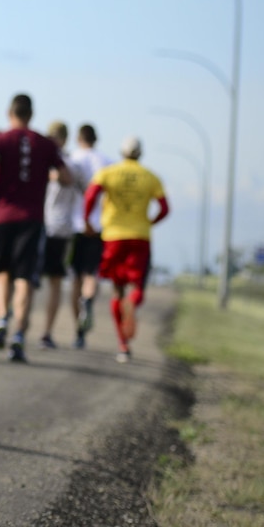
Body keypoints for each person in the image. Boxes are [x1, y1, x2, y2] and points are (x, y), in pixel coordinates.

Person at [0, 94, 68, 364]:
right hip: (32, 218)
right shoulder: (45, 143)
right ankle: (19, 335)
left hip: (1, 216)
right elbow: (66, 177)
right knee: (24, 278)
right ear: (32, 114)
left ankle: (2, 317)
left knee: (2, 272)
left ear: (10, 112)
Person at [83, 136, 169, 363]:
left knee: (117, 290)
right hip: (140, 237)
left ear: (122, 152)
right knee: (137, 285)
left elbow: (91, 195)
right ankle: (134, 301)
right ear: (140, 154)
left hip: (113, 236)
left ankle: (123, 345)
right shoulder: (151, 177)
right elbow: (164, 208)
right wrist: (150, 222)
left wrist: (88, 221)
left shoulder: (108, 172)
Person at [38, 120, 84, 349]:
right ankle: (42, 331)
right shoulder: (70, 164)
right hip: (52, 226)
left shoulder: (62, 164)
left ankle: (44, 331)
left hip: (52, 226)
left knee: (52, 282)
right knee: (50, 282)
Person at [66, 125, 110, 349]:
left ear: (78, 137)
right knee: (91, 274)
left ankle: (78, 332)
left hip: (75, 225)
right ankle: (89, 299)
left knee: (75, 278)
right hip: (101, 226)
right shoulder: (107, 162)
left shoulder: (73, 159)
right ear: (96, 138)